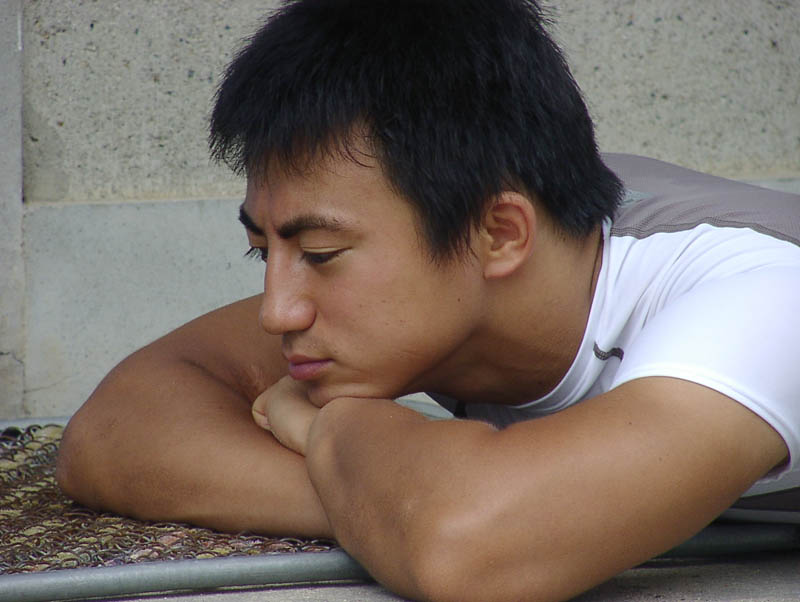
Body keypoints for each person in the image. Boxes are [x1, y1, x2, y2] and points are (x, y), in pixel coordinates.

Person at [56, 1, 799, 600]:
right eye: (263, 251)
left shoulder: (763, 295)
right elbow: (115, 432)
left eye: (321, 254)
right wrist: (384, 497)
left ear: (499, 235)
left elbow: (468, 546)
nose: (276, 312)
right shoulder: (443, 278)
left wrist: (329, 433)